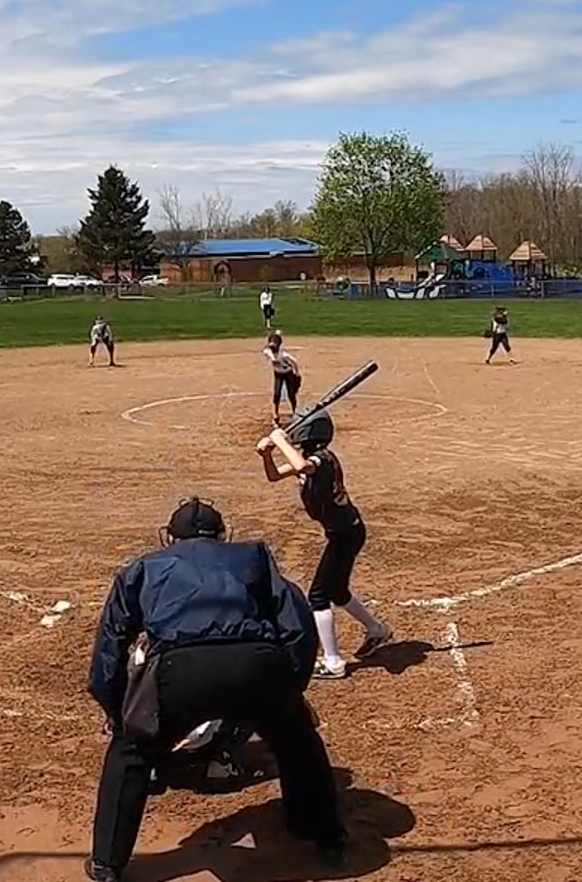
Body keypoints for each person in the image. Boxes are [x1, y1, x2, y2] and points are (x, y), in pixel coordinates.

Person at [87, 498, 345, 881]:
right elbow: (297, 625)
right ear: (223, 535)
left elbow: (110, 648)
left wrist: (119, 713)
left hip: (179, 670)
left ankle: (107, 863)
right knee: (297, 740)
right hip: (256, 662)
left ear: (169, 538)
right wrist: (289, 689)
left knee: (131, 751)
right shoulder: (255, 556)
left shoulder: (142, 568)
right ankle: (325, 834)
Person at [257, 411, 393, 679]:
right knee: (338, 591)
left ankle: (333, 662)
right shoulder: (309, 458)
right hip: (342, 532)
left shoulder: (322, 459)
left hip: (346, 534)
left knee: (318, 596)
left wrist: (278, 439)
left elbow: (301, 466)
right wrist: (267, 455)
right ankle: (378, 630)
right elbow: (274, 475)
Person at [263, 331, 302, 421]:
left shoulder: (284, 355)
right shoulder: (268, 352)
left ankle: (295, 411)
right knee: (277, 393)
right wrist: (272, 357)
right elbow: (267, 352)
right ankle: (275, 413)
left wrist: (297, 373)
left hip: (288, 373)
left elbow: (294, 362)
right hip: (278, 374)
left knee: (291, 394)